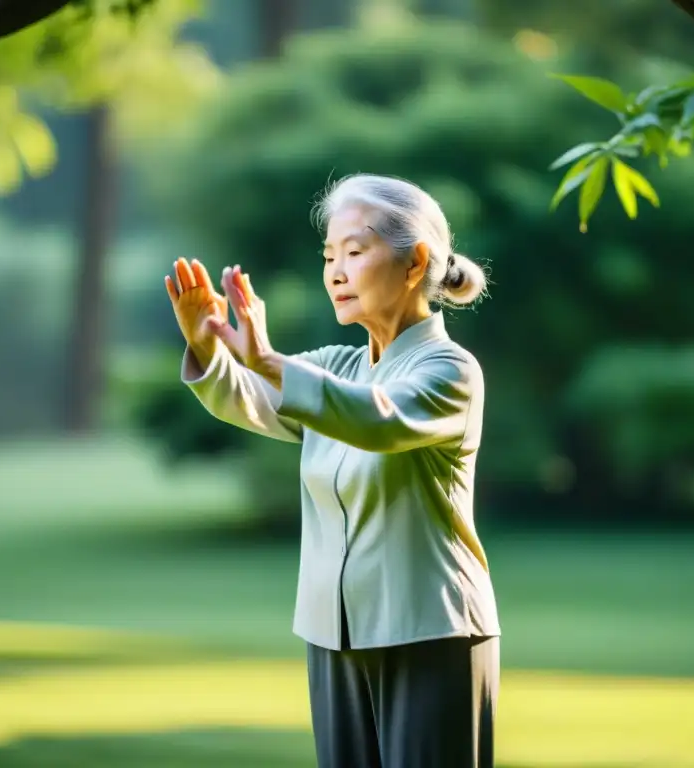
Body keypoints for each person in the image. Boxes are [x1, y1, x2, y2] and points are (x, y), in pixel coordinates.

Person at [164, 173, 501, 768]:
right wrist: (210, 345)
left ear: (415, 261)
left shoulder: (451, 370)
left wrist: (268, 360)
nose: (336, 271)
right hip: (333, 636)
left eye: (354, 251)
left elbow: (378, 420)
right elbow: (251, 396)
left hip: (430, 633)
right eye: (328, 256)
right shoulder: (338, 366)